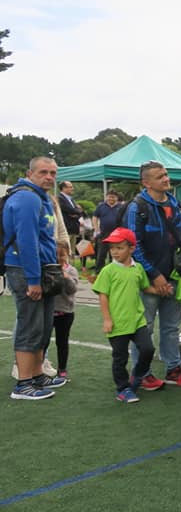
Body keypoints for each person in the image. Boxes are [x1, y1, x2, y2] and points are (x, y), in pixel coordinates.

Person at [125, 161, 181, 390]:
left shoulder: (175, 203)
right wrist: (155, 276)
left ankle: (173, 368)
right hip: (148, 280)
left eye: (166, 174)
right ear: (146, 183)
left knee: (171, 327)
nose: (166, 179)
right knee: (144, 328)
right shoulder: (137, 207)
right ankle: (142, 372)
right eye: (159, 177)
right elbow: (134, 246)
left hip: (174, 277)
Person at [5, 156, 70, 400]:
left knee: (42, 326)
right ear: (30, 173)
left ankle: (36, 376)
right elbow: (26, 241)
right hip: (25, 269)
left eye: (53, 173)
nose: (49, 177)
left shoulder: (41, 197)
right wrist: (33, 279)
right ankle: (23, 384)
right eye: (43, 172)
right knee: (30, 326)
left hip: (42, 268)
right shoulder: (27, 198)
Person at [93, 228, 160, 403]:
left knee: (148, 350)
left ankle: (136, 377)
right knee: (120, 358)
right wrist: (107, 319)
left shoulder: (138, 268)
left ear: (131, 249)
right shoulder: (108, 271)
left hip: (137, 320)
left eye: (119, 248)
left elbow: (145, 287)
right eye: (112, 248)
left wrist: (161, 290)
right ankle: (123, 389)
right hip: (117, 323)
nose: (115, 252)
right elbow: (103, 295)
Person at [49, 242, 79, 380]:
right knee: (43, 341)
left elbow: (72, 290)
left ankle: (62, 368)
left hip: (65, 312)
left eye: (62, 255)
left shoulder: (71, 271)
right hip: (49, 312)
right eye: (56, 255)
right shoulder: (48, 270)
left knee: (62, 342)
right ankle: (40, 365)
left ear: (68, 254)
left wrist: (66, 277)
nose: (59, 258)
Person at [92, 190, 123, 272]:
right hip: (103, 233)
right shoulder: (101, 206)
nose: (111, 199)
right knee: (101, 254)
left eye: (113, 197)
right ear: (106, 197)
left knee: (116, 253)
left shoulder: (121, 207)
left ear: (117, 198)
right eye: (109, 197)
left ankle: (115, 270)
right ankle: (99, 271)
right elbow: (95, 217)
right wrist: (96, 229)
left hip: (117, 233)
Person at [57, 180, 84, 256]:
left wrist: (77, 212)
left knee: (71, 252)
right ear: (64, 188)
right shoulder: (60, 198)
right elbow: (70, 209)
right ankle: (64, 267)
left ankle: (71, 267)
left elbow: (80, 211)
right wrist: (77, 211)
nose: (73, 188)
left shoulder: (71, 199)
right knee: (64, 251)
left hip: (73, 228)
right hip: (66, 229)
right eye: (70, 187)